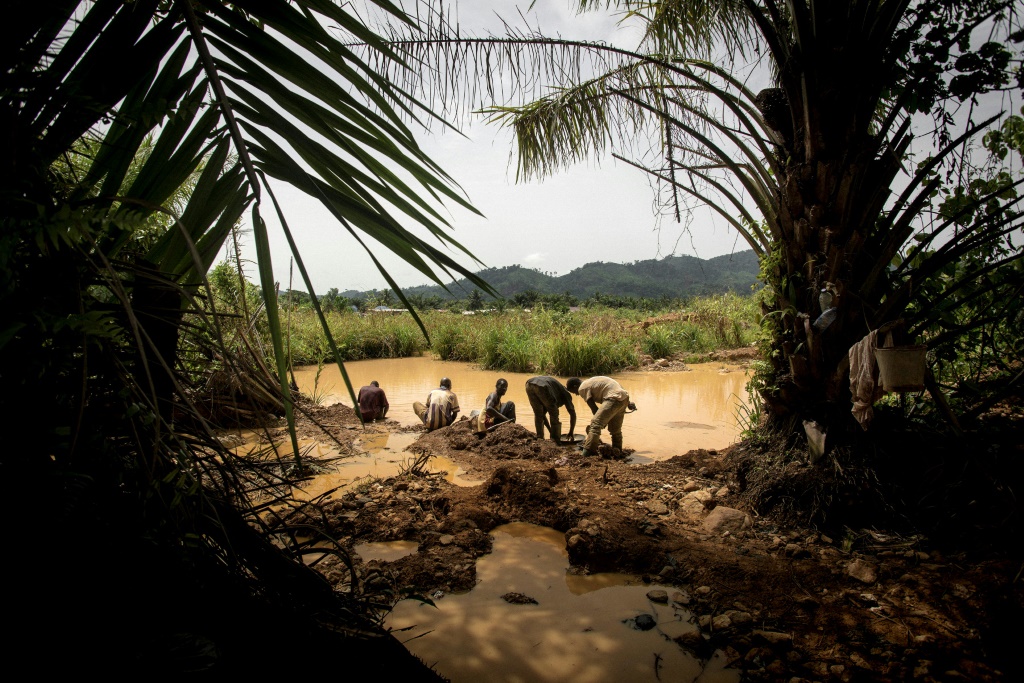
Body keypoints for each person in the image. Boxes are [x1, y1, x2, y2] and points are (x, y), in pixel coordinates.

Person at [566, 376, 633, 456]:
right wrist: (628, 403)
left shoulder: (582, 388)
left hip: (612, 398)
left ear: (575, 386)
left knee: (595, 425)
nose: (576, 394)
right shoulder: (592, 381)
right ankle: (617, 451)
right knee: (615, 429)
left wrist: (601, 422)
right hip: (624, 398)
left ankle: (587, 452)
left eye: (573, 392)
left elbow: (594, 409)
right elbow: (618, 389)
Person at [525, 375, 577, 445]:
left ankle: (540, 438)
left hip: (529, 384)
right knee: (554, 414)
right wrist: (571, 432)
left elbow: (543, 415)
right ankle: (556, 440)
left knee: (538, 414)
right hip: (543, 386)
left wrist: (550, 430)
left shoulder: (555, 392)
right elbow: (572, 414)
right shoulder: (566, 394)